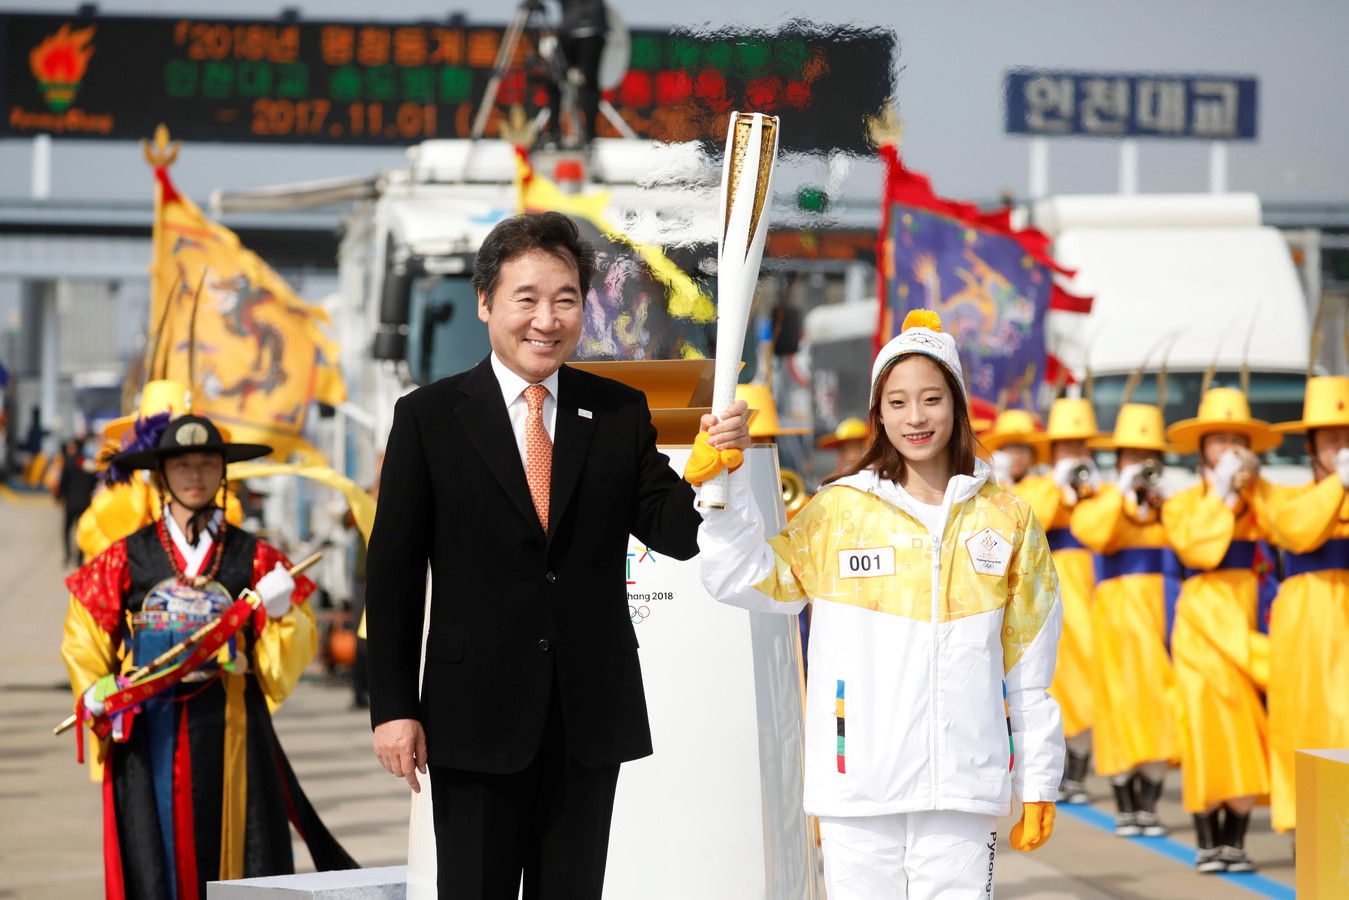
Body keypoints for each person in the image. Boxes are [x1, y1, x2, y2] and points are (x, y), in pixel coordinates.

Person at [364, 211, 748, 900]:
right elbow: (392, 575)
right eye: (527, 299)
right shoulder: (428, 417)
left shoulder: (618, 412)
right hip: (471, 717)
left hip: (585, 717)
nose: (547, 319)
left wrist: (718, 470)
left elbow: (678, 533)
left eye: (565, 299)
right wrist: (393, 707)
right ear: (486, 303)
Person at [697, 309, 1064, 900]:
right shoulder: (840, 511)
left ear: (958, 404)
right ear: (878, 413)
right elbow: (743, 577)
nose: (915, 418)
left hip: (961, 789)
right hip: (857, 783)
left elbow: (1030, 671)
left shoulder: (1007, 519)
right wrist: (724, 495)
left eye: (931, 399)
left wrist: (1040, 776)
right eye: (897, 403)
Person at [61, 412, 356, 898]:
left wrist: (282, 613)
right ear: (161, 476)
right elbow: (84, 632)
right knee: (151, 855)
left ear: (223, 472)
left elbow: (281, 660)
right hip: (148, 728)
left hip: (231, 724)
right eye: (182, 465)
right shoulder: (124, 556)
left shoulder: (255, 556)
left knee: (242, 854)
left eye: (206, 464)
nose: (194, 476)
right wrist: (94, 688)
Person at [1161, 386, 1279, 872]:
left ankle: (1236, 841)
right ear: (1202, 447)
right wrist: (1225, 495)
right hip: (1200, 627)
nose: (1229, 447)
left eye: (1237, 438)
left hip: (1247, 626)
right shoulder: (1183, 503)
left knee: (1248, 729)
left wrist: (1246, 493)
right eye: (1219, 438)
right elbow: (1196, 550)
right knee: (1206, 728)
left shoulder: (1263, 499)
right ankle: (1209, 841)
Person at [1070, 402, 1180, 837]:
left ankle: (1149, 806)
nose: (1140, 466)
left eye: (1147, 459)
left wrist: (1164, 497)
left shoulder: (1168, 507)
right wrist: (1121, 490)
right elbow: (1091, 531)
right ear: (1116, 463)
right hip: (1114, 622)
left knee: (1159, 707)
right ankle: (1125, 805)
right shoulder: (1102, 503)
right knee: (1116, 708)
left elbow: (1192, 541)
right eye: (1131, 458)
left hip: (1160, 620)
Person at [1262, 375, 1349, 836]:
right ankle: (1323, 860)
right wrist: (1339, 487)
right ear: (1312, 447)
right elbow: (1295, 530)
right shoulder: (1289, 498)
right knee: (1322, 732)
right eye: (1333, 439)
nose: (1343, 448)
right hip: (1312, 632)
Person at [1016, 397, 1103, 804]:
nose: (1075, 454)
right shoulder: (1036, 487)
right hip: (1047, 590)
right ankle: (1059, 769)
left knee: (1088, 677)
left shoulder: (1097, 488)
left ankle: (1079, 773)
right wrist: (1058, 483)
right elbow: (1032, 518)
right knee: (1053, 677)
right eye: (1067, 446)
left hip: (1091, 592)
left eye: (1081, 446)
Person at [57, 435, 99, 566]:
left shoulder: (69, 462)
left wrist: (59, 496)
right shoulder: (87, 463)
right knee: (82, 530)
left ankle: (68, 555)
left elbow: (63, 482)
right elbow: (94, 480)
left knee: (66, 529)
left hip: (70, 502)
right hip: (84, 502)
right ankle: (79, 559)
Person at [982, 408, 1045, 487]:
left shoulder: (1045, 488)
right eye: (1010, 448)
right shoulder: (983, 486)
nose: (1017, 456)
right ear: (998, 453)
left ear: (1033, 455)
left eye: (1023, 448)